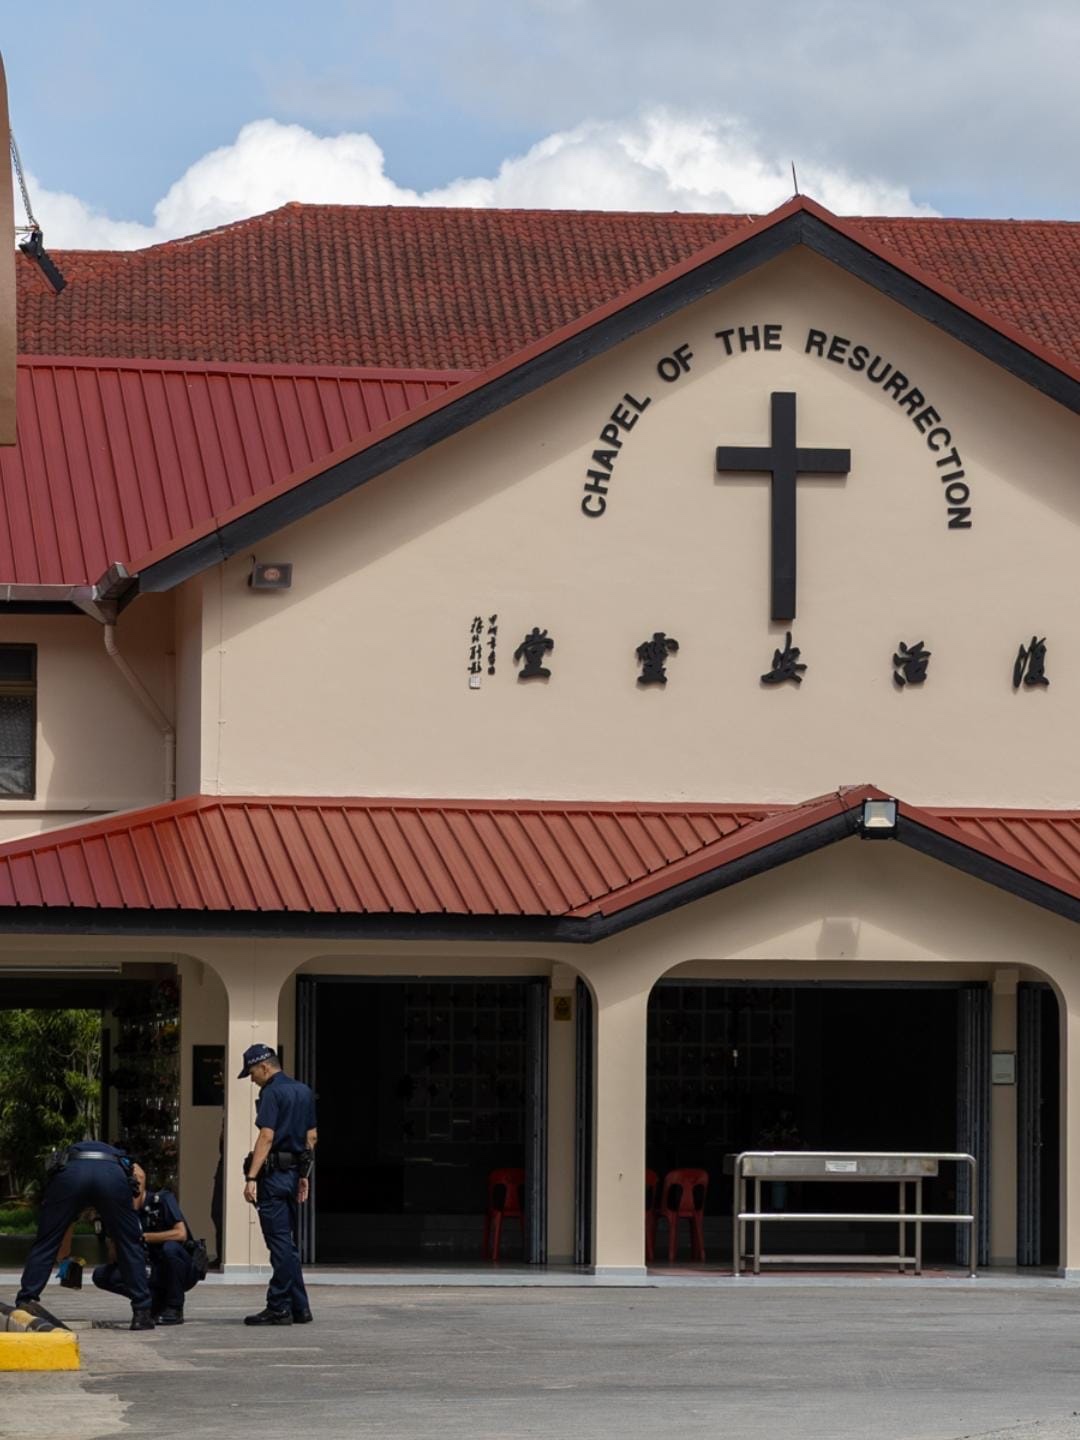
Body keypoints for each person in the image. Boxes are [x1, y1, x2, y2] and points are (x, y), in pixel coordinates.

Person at [16, 1139, 154, 1331]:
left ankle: (25, 1301)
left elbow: (59, 1238)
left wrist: (63, 1258)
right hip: (110, 1177)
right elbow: (139, 1175)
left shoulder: (69, 1161)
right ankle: (142, 1312)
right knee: (130, 1243)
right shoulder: (119, 1159)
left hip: (71, 1176)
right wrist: (128, 1225)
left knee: (46, 1242)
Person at [238, 1043, 317, 1326]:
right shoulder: (303, 1091)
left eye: (251, 1073)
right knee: (287, 1243)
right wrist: (304, 1174)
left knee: (280, 1244)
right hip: (293, 1174)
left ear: (264, 1066)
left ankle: (278, 1306)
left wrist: (251, 1177)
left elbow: (267, 1137)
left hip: (272, 1177)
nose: (252, 1079)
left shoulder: (271, 1092)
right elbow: (311, 1137)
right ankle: (300, 1307)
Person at [92, 1163, 203, 1325]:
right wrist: (117, 1236)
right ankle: (153, 1301)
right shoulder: (122, 1213)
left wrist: (144, 1237)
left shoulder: (162, 1200)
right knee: (101, 1275)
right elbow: (113, 1259)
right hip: (149, 1269)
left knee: (170, 1248)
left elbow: (181, 1234)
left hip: (178, 1269)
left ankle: (175, 1307)